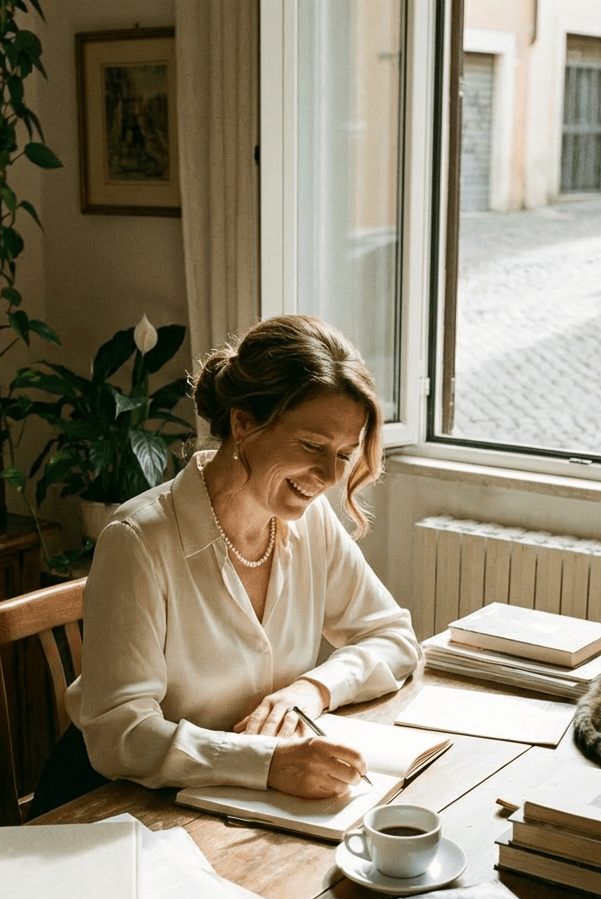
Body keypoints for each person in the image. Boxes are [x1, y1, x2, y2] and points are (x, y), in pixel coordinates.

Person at [30, 314, 421, 817]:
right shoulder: (138, 541)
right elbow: (118, 733)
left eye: (345, 454)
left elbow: (392, 636)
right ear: (243, 423)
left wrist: (312, 689)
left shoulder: (311, 521)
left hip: (224, 802)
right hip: (111, 805)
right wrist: (267, 763)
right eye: (311, 446)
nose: (329, 475)